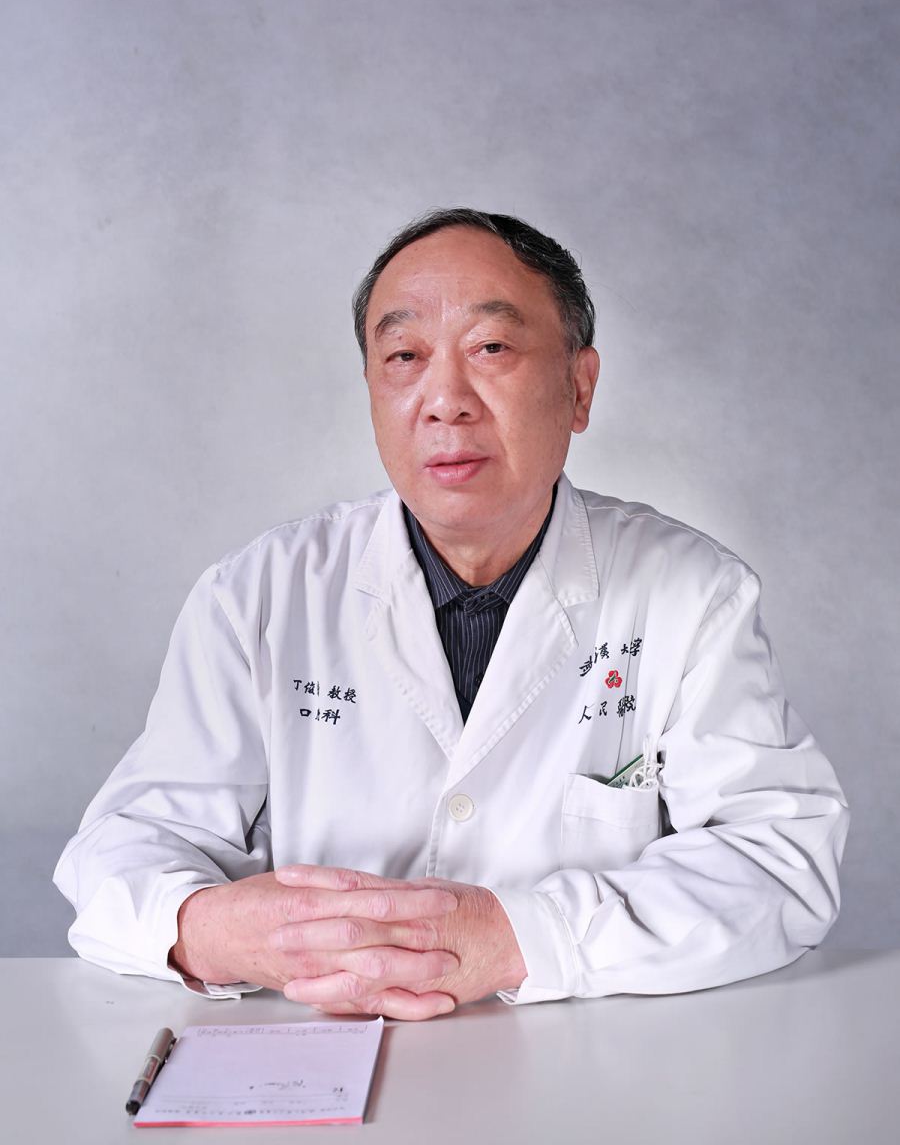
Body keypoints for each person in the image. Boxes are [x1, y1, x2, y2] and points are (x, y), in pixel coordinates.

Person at [54, 208, 849, 1020]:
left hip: (592, 1058)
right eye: (404, 356)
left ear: (579, 387)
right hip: (318, 1052)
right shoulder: (259, 593)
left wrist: (517, 938)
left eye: (491, 348)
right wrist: (215, 930)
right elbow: (121, 851)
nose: (444, 401)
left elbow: (781, 861)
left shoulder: (691, 592)